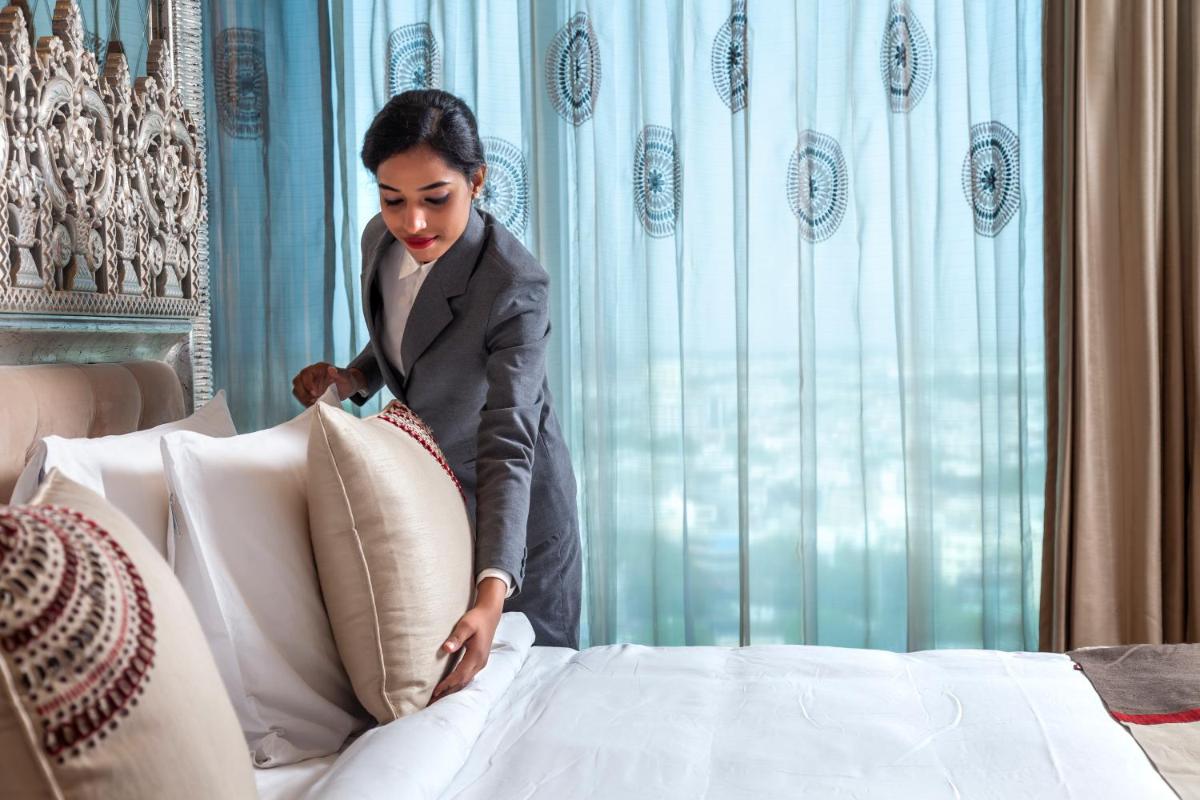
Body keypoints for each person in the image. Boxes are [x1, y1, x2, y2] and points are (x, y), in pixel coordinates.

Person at [292, 90, 582, 701]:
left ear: (476, 181)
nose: (413, 222)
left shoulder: (513, 284)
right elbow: (410, 334)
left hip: (517, 511)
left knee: (533, 696)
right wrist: (353, 379)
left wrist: (491, 591)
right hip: (433, 490)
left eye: (435, 198)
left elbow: (508, 437)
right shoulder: (381, 239)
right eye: (392, 198)